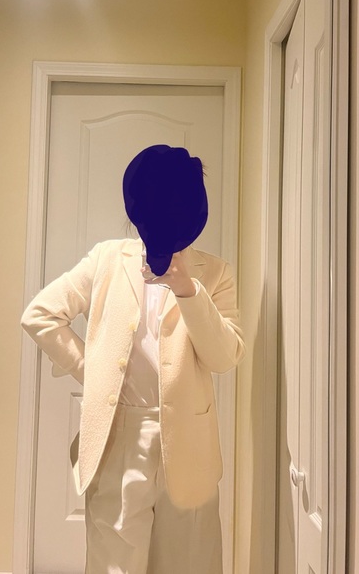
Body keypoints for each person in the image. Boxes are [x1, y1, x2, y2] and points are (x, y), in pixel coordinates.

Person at [21, 144, 245, 574]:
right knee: (115, 564)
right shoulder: (107, 259)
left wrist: (188, 289)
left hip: (190, 444)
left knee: (189, 563)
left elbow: (224, 357)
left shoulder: (216, 273)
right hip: (119, 436)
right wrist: (94, 372)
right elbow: (40, 314)